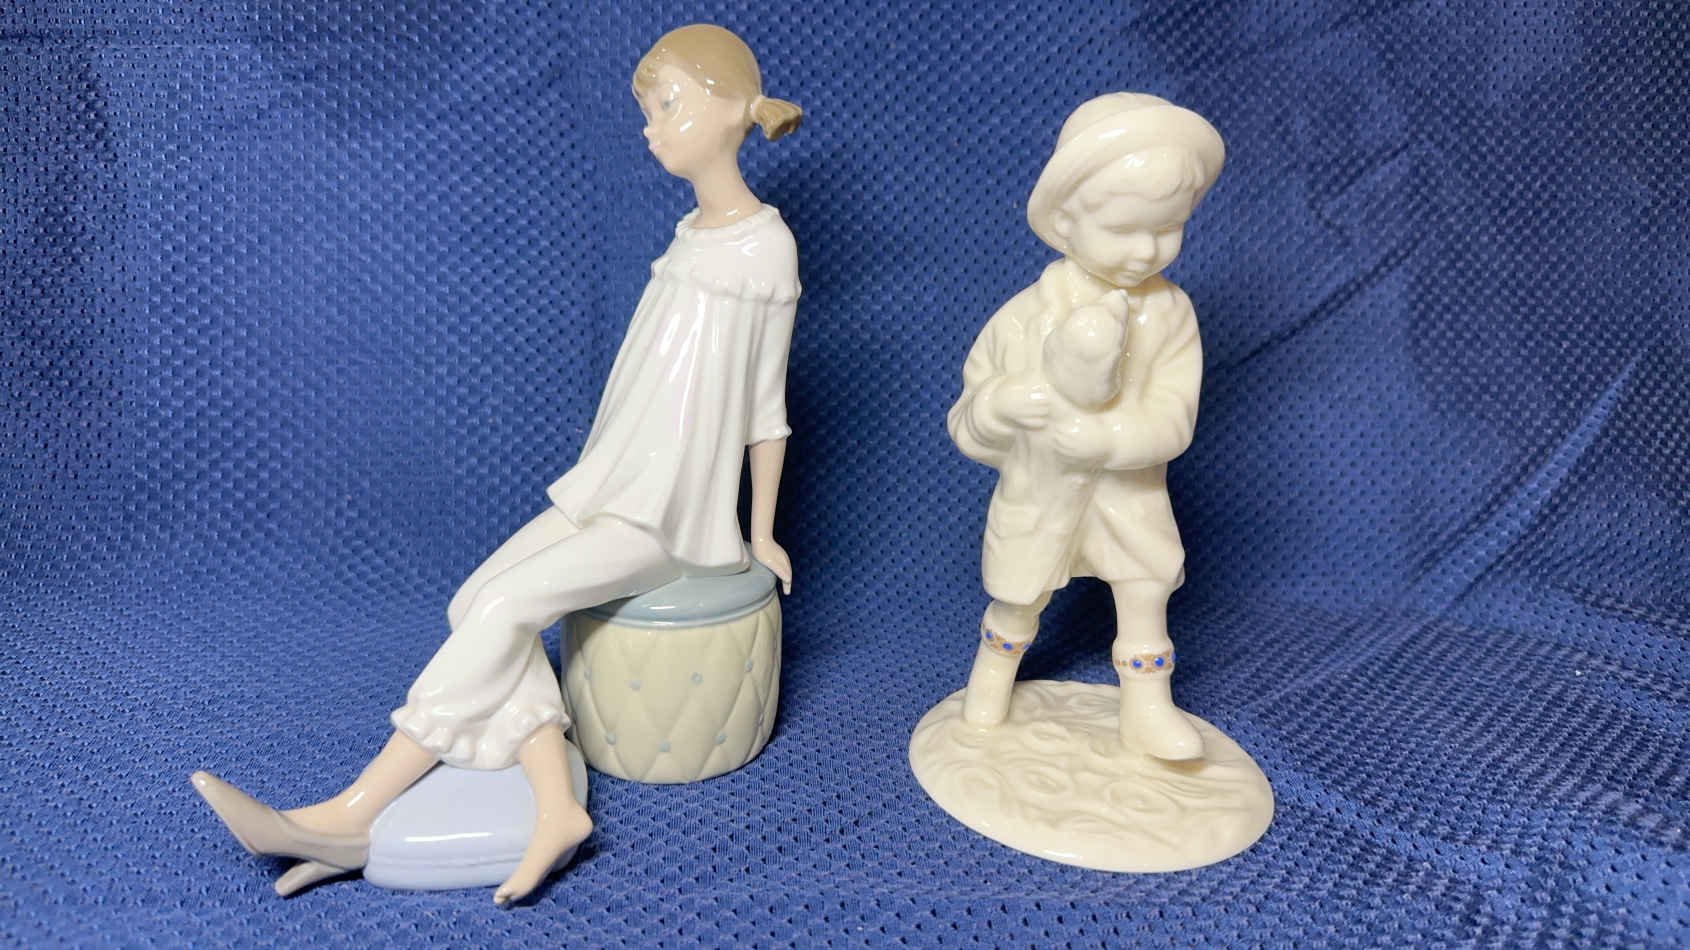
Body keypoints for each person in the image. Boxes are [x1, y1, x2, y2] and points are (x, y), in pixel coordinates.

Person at [190, 24, 803, 905]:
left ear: (728, 106)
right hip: (612, 486)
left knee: (508, 607)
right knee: (473, 600)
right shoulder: (689, 234)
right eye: (647, 109)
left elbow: (764, 409)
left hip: (669, 514)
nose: (651, 127)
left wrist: (760, 532)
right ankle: (557, 808)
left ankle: (353, 811)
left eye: (668, 104)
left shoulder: (765, 247)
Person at [947, 93, 1224, 761]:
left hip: (1129, 493)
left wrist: (1112, 441)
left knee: (1144, 588)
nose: (1147, 249)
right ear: (1066, 222)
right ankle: (991, 679)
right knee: (1019, 592)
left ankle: (1148, 707)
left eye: (1168, 228)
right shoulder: (1022, 319)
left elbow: (1174, 415)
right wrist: (1000, 407)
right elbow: (967, 420)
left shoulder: (1171, 317)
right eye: (1124, 229)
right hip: (1040, 490)